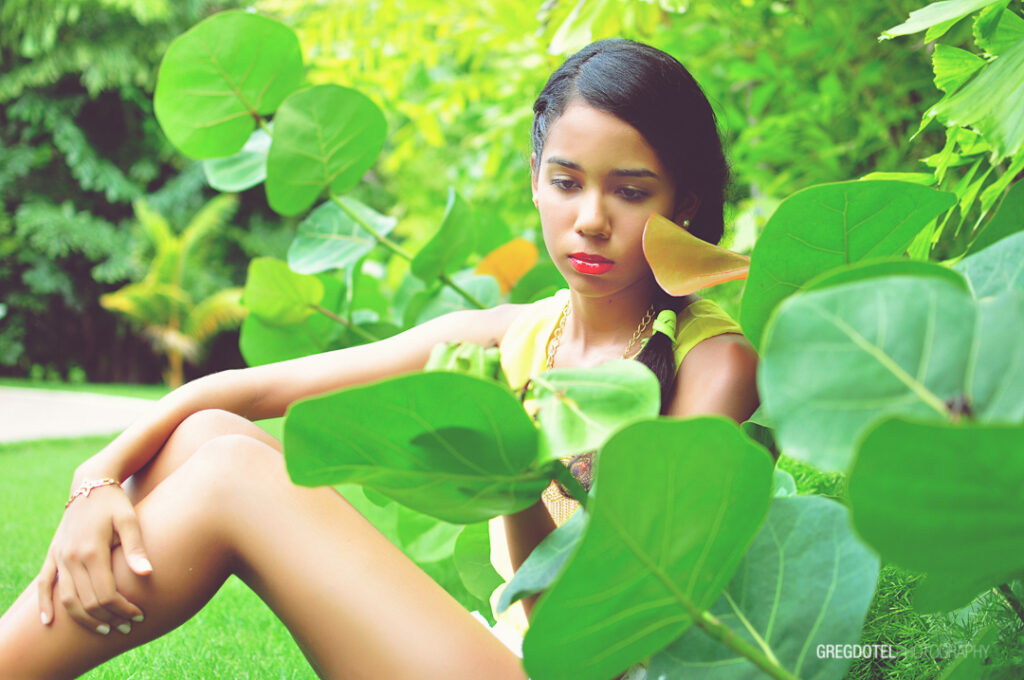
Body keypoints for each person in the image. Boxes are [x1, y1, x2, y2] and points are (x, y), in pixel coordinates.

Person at [0, 38, 758, 679]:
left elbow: (588, 638)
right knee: (209, 438)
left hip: (577, 666)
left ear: (684, 203)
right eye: (566, 182)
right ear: (535, 182)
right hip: (505, 649)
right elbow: (263, 389)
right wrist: (93, 479)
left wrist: (514, 479)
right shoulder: (520, 333)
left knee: (233, 475)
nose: (590, 219)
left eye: (630, 192)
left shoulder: (711, 365)